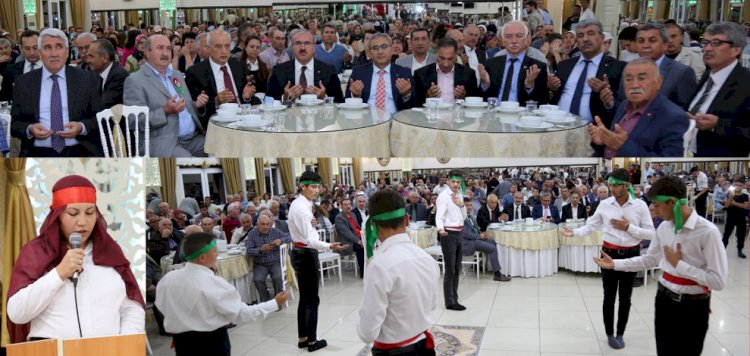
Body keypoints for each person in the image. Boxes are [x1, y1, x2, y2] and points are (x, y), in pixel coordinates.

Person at [593, 175, 727, 356]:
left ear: (672, 202)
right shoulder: (664, 228)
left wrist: (680, 265)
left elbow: (718, 281)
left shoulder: (707, 232)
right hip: (663, 299)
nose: (653, 210)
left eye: (656, 205)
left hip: (693, 305)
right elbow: (649, 260)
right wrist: (614, 264)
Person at [6, 175, 144, 342]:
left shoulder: (110, 251)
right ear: (57, 216)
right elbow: (17, 313)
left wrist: (126, 343)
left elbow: (131, 305)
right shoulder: (37, 252)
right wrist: (58, 274)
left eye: (89, 212)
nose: (82, 222)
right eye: (73, 213)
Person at [562, 169, 654, 350]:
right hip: (608, 255)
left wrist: (630, 228)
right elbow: (590, 227)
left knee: (626, 298)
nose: (611, 188)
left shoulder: (640, 205)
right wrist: (574, 232)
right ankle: (610, 333)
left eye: (615, 185)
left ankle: (620, 332)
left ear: (626, 185)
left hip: (631, 255)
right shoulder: (604, 205)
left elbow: (651, 234)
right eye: (610, 184)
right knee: (609, 297)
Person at [156, 232, 289, 356]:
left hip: (182, 343)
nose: (217, 254)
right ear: (203, 257)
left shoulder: (168, 279)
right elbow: (241, 314)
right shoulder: (214, 284)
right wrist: (274, 303)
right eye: (215, 251)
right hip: (211, 342)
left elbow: (161, 305)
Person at [357, 189, 440, 355]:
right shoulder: (427, 259)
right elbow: (431, 305)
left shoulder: (379, 266)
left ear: (372, 225)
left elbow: (367, 333)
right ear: (407, 219)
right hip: (424, 347)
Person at [10, 28, 103, 157]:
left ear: (67, 52)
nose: (54, 53)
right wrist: (30, 129)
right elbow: (15, 124)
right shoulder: (24, 83)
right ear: (40, 53)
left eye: (59, 47)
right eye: (47, 47)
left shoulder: (87, 79)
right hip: (38, 153)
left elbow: (100, 118)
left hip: (80, 151)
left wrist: (81, 127)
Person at [288, 171, 348, 352]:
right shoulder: (301, 208)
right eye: (312, 187)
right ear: (302, 187)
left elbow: (309, 234)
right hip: (305, 254)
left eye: (317, 187)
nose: (316, 191)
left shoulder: (302, 205)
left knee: (304, 298)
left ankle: (303, 338)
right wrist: (331, 246)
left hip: (300, 252)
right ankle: (312, 342)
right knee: (312, 299)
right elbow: (311, 240)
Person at [123, 34, 209, 157]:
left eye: (168, 49)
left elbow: (186, 107)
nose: (166, 53)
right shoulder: (135, 81)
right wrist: (165, 111)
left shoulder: (176, 75)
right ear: (147, 52)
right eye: (160, 48)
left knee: (221, 148)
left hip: (194, 138)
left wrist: (197, 105)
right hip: (164, 142)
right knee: (188, 162)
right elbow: (134, 122)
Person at [593, 58, 688, 157]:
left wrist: (622, 145)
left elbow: (668, 165)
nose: (634, 85)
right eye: (628, 79)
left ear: (659, 82)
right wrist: (605, 140)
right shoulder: (624, 105)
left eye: (642, 78)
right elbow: (611, 148)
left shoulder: (673, 117)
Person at [687, 22, 750, 157]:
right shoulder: (707, 74)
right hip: (688, 150)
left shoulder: (745, 82)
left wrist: (717, 125)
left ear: (736, 49)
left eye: (716, 43)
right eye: (705, 42)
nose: (708, 48)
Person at [549, 19, 625, 126]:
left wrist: (608, 100)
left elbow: (624, 107)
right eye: (580, 35)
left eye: (591, 33)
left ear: (602, 38)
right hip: (558, 125)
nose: (585, 39)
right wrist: (551, 86)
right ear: (577, 41)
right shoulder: (565, 65)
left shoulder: (617, 67)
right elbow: (553, 95)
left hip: (594, 130)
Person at [185, 29, 257, 128]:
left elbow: (253, 102)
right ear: (209, 48)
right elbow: (195, 109)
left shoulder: (239, 67)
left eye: (227, 46)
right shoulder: (196, 72)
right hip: (217, 125)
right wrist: (216, 101)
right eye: (218, 46)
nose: (223, 51)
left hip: (243, 121)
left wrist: (246, 97)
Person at [479, 21, 548, 106]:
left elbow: (542, 101)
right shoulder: (491, 64)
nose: (514, 41)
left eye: (519, 36)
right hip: (495, 114)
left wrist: (529, 87)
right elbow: (481, 98)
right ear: (503, 41)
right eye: (509, 36)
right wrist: (485, 85)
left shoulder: (537, 67)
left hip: (521, 115)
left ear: (527, 39)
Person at [266, 30, 344, 103]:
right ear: (292, 47)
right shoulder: (279, 70)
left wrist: (324, 98)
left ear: (314, 47)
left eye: (307, 43)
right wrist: (284, 98)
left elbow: (339, 101)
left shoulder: (328, 70)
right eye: (298, 43)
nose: (302, 48)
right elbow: (267, 101)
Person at [631, 23, 697, 108]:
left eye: (652, 40)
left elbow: (686, 111)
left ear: (665, 45)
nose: (646, 45)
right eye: (641, 41)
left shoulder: (682, 72)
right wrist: (610, 103)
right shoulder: (629, 70)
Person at [345, 33, 415, 114]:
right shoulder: (359, 72)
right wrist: (355, 96)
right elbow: (345, 102)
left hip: (395, 121)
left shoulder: (404, 73)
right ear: (370, 52)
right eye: (375, 48)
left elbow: (414, 106)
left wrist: (406, 95)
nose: (380, 52)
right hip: (365, 121)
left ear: (392, 49)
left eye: (384, 46)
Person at [435, 170, 468, 311]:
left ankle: (455, 297)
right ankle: (449, 302)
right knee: (450, 270)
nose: (455, 184)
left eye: (458, 182)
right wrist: (440, 229)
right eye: (453, 181)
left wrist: (462, 205)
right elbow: (439, 215)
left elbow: (465, 216)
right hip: (448, 234)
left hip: (459, 232)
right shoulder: (443, 197)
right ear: (448, 181)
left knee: (457, 268)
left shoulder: (460, 194)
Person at [413, 37, 478, 107]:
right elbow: (414, 104)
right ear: (436, 54)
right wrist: (427, 96)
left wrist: (464, 97)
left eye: (450, 59)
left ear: (456, 55)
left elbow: (475, 103)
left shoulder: (468, 74)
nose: (445, 64)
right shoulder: (421, 74)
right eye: (442, 58)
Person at [462, 199, 511, 281]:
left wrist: (482, 234)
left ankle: (491, 266)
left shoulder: (469, 216)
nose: (469, 207)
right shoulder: (461, 218)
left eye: (470, 205)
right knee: (492, 249)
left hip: (475, 239)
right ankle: (497, 274)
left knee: (493, 242)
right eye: (467, 205)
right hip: (468, 243)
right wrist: (479, 236)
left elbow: (476, 228)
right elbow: (465, 234)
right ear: (462, 206)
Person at [247, 214, 293, 302]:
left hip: (275, 262)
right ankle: (266, 300)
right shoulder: (252, 234)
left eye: (267, 224)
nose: (265, 227)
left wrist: (280, 240)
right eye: (263, 224)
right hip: (260, 264)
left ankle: (278, 301)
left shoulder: (275, 231)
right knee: (258, 279)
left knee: (277, 277)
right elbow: (249, 250)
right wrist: (260, 250)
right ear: (257, 224)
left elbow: (290, 237)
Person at [88, 39, 129, 108]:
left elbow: (104, 106)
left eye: (91, 56)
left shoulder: (119, 75)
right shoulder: (96, 73)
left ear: (105, 58)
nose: (88, 60)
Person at [0, 30, 40, 101]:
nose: (32, 52)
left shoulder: (53, 69)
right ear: (21, 48)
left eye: (35, 48)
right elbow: (4, 98)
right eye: (27, 48)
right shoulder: (11, 70)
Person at [334, 198, 365, 277]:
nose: (348, 206)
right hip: (348, 242)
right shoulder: (339, 218)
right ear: (341, 206)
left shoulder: (353, 214)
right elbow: (346, 233)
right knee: (360, 247)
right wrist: (358, 240)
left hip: (359, 237)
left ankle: (370, 268)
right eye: (345, 205)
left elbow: (358, 228)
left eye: (349, 204)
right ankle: (363, 272)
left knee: (372, 243)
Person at [722, 179, 749, 258]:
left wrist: (734, 203)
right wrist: (730, 198)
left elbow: (745, 206)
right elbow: (726, 206)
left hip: (741, 218)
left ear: (743, 186)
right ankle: (722, 249)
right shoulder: (730, 194)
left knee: (741, 235)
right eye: (736, 185)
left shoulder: (745, 196)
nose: (738, 187)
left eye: (740, 185)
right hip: (731, 217)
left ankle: (740, 250)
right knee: (726, 234)